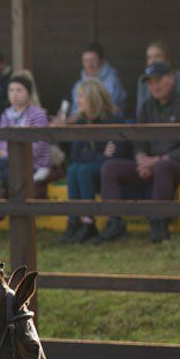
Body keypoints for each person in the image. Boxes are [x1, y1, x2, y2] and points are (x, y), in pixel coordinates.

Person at [97, 62, 180, 244]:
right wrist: (141, 159)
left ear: (171, 79)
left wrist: (157, 160)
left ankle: (158, 222)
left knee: (163, 166)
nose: (154, 86)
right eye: (151, 83)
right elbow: (139, 142)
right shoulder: (147, 106)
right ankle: (115, 222)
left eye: (158, 81)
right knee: (110, 167)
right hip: (153, 163)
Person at [60, 79, 121, 243]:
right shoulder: (81, 121)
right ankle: (74, 221)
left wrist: (91, 154)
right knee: (73, 168)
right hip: (94, 165)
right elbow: (75, 155)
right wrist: (100, 154)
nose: (77, 101)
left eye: (81, 96)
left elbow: (114, 154)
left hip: (108, 170)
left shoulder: (113, 120)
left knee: (83, 170)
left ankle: (88, 223)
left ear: (93, 98)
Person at [0, 73, 52, 199]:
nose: (14, 94)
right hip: (9, 160)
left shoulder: (38, 114)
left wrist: (13, 155)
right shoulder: (6, 114)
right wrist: (9, 155)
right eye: (11, 90)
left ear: (28, 93)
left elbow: (37, 147)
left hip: (33, 164)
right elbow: (1, 143)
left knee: (4, 175)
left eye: (19, 90)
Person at [70, 43, 126, 118]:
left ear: (101, 61)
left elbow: (108, 110)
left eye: (93, 60)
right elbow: (74, 111)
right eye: (86, 60)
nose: (89, 64)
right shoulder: (78, 84)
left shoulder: (112, 82)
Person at [134, 40, 180, 114]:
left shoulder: (179, 76)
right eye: (149, 57)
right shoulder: (143, 79)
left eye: (157, 56)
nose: (153, 61)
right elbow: (140, 110)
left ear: (167, 59)